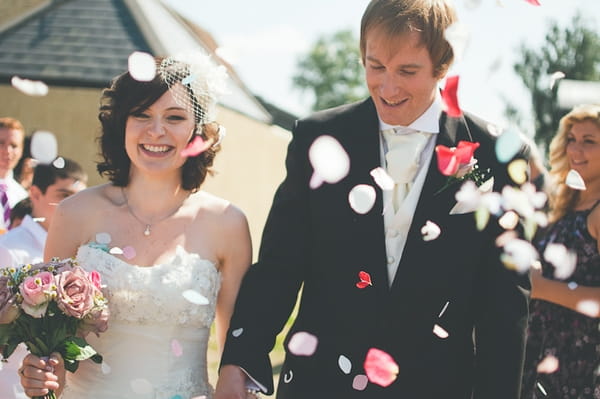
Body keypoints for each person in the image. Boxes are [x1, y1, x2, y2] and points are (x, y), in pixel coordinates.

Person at [216, 1, 530, 398]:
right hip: (322, 382)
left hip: (437, 385)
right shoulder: (319, 139)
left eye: (407, 71)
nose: (388, 86)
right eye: (375, 66)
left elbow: (503, 302)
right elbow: (281, 264)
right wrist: (239, 360)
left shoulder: (492, 155)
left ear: (444, 64)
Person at [18, 54, 252, 399]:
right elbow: (48, 334)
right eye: (141, 115)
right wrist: (40, 371)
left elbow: (238, 349)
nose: (156, 131)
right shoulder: (74, 214)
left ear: (197, 132)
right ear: (121, 124)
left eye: (174, 117)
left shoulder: (227, 223)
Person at [521, 104, 600, 399]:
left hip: (577, 369)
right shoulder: (563, 206)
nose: (576, 149)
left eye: (589, 141)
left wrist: (542, 288)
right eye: (572, 139)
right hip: (537, 361)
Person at [0, 157, 86, 399]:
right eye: (62, 196)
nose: (71, 206)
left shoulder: (83, 250)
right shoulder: (9, 248)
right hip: (13, 386)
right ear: (35, 194)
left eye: (77, 198)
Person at [0, 117, 28, 232]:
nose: (7, 150)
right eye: (1, 143)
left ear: (21, 150)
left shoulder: (22, 195)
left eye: (14, 145)